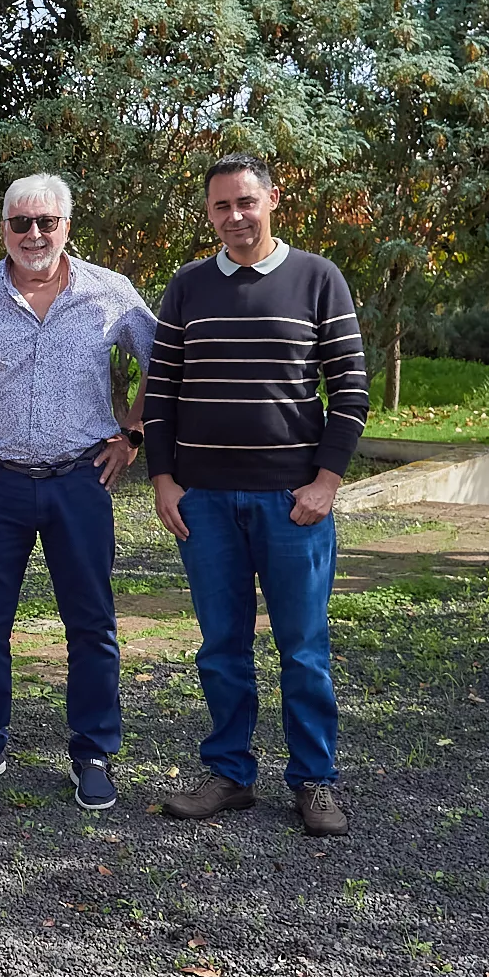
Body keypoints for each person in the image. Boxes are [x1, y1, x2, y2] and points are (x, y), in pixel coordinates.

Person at [146, 153, 369, 837]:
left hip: (292, 504)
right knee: (221, 646)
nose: (235, 216)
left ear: (272, 200)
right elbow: (160, 393)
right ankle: (230, 775)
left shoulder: (318, 280)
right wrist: (163, 479)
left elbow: (351, 390)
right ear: (208, 213)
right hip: (205, 503)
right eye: (221, 206)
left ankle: (315, 781)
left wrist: (326, 482)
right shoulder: (187, 287)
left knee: (303, 648)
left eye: (246, 202)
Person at [0, 175, 156, 811]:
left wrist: (132, 435)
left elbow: (162, 360)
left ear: (66, 226)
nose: (34, 234)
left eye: (46, 222)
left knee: (91, 622)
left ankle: (92, 750)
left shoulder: (108, 292)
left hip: (80, 480)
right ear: (3, 227)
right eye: (20, 223)